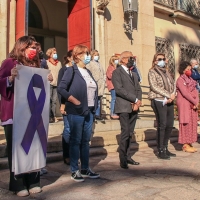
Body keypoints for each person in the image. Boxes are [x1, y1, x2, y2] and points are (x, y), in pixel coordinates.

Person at [0, 36, 53, 197]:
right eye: (30, 46)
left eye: (35, 47)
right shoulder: (10, 62)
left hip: (33, 115)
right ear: (21, 47)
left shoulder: (37, 65)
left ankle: (34, 181)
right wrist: (10, 78)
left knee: (35, 148)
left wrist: (47, 79)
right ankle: (18, 184)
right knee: (18, 150)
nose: (33, 50)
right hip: (15, 115)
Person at [58, 44, 100, 182]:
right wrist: (74, 101)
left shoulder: (88, 72)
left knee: (85, 141)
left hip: (89, 111)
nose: (88, 56)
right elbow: (61, 88)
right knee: (75, 140)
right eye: (86, 53)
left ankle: (85, 168)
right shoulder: (71, 71)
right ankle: (75, 169)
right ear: (78, 55)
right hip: (76, 111)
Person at [112, 51, 142, 169]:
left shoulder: (133, 74)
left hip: (134, 107)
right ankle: (123, 158)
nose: (132, 59)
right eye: (131, 57)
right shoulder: (117, 72)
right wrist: (134, 99)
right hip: (123, 106)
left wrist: (137, 102)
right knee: (125, 133)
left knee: (130, 133)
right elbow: (119, 90)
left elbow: (138, 89)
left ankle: (128, 156)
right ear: (123, 59)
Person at [148, 53, 176, 160]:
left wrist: (172, 95)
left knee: (169, 124)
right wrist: (168, 95)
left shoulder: (167, 72)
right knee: (162, 124)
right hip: (159, 99)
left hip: (169, 100)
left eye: (164, 59)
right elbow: (154, 86)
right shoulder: (152, 72)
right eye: (160, 59)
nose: (162, 61)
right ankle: (160, 150)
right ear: (155, 61)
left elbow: (173, 85)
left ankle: (165, 147)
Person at [176, 61, 199, 153]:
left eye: (190, 69)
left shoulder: (192, 80)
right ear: (183, 70)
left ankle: (190, 142)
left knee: (192, 123)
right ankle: (185, 144)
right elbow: (185, 93)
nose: (189, 71)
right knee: (186, 123)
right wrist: (193, 101)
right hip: (185, 105)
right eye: (187, 69)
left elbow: (196, 91)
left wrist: (196, 101)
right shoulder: (180, 80)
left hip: (193, 106)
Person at [57, 50, 73, 165]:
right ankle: (66, 155)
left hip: (77, 105)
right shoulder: (63, 70)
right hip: (67, 104)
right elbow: (61, 89)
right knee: (67, 129)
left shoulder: (78, 70)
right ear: (68, 57)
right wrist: (63, 103)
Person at [86, 50, 105, 121]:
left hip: (100, 84)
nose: (97, 56)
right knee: (94, 99)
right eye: (95, 55)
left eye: (98, 55)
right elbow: (89, 72)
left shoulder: (99, 64)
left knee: (99, 99)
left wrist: (104, 79)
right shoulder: (90, 63)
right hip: (94, 83)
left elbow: (103, 73)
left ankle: (97, 114)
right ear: (92, 56)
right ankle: (93, 114)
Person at [46, 48, 62, 123]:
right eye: (54, 53)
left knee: (55, 101)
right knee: (49, 100)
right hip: (49, 84)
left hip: (57, 84)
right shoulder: (46, 62)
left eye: (56, 53)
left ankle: (54, 116)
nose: (55, 54)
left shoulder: (59, 63)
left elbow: (61, 73)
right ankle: (49, 116)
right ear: (50, 54)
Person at [106, 55, 119, 119]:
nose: (117, 61)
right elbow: (109, 75)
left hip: (116, 86)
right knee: (114, 99)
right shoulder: (110, 67)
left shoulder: (116, 67)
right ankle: (112, 113)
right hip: (112, 85)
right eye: (116, 60)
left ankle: (115, 112)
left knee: (116, 99)